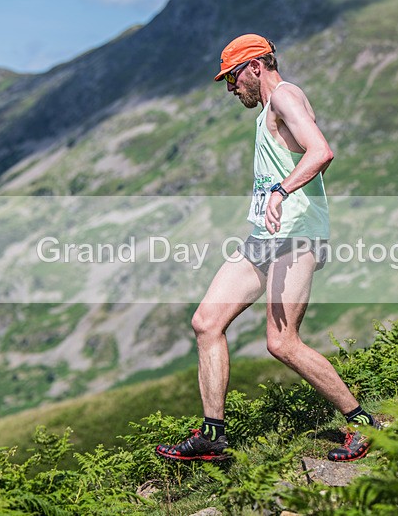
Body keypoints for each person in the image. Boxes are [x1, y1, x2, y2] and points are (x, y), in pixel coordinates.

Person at [155, 34, 378, 463]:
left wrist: (281, 190)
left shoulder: (285, 98)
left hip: (297, 236)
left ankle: (362, 422)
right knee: (206, 322)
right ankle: (212, 436)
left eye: (233, 77)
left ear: (256, 66)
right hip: (265, 237)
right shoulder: (266, 111)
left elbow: (321, 151)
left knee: (282, 342)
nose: (230, 88)